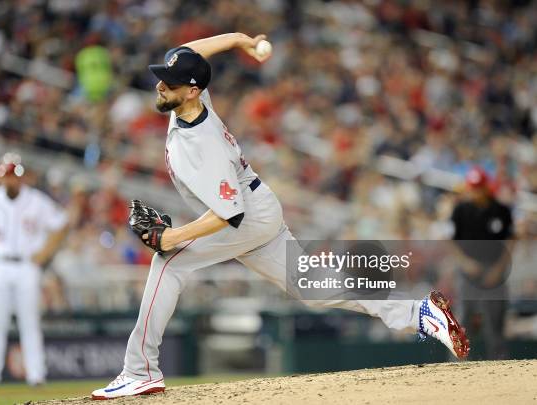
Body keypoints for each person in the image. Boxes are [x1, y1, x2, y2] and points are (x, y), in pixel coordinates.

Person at [91, 33, 470, 400]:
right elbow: (191, 51)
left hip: (247, 216)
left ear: (191, 90)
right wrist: (240, 39)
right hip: (258, 209)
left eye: (169, 83)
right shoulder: (192, 98)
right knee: (316, 289)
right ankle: (420, 313)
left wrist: (173, 238)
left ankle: (139, 373)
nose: (160, 86)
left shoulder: (202, 143)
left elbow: (230, 213)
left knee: (168, 262)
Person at [0, 152, 68, 385]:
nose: (10, 180)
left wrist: (45, 252)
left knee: (30, 321)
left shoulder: (36, 200)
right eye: (6, 175)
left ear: (22, 177)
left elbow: (60, 224)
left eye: (14, 175)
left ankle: (36, 376)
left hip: (27, 265)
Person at [451, 166, 514, 359]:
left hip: (494, 270)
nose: (476, 191)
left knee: (495, 320)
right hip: (469, 271)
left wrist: (498, 269)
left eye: (479, 187)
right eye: (473, 187)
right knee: (463, 318)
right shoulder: (461, 210)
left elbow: (510, 241)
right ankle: (458, 364)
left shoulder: (501, 210)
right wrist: (465, 263)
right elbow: (450, 240)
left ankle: (500, 363)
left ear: (486, 186)